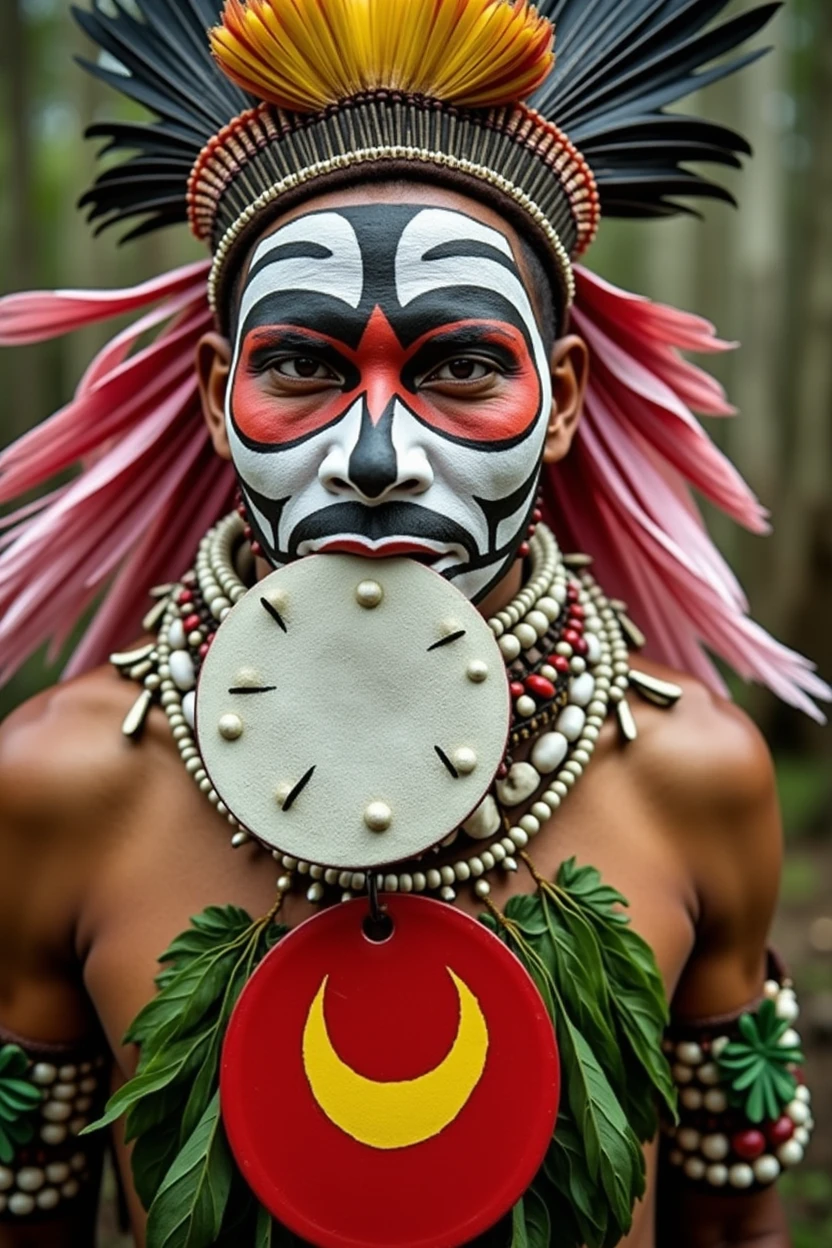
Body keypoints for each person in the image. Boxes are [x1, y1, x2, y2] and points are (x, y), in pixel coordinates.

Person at [0, 1, 825, 1246]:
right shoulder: (63, 783)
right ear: (218, 397)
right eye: (304, 368)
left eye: (458, 367)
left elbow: (738, 1224)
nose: (377, 453)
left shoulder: (695, 775)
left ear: (562, 398)